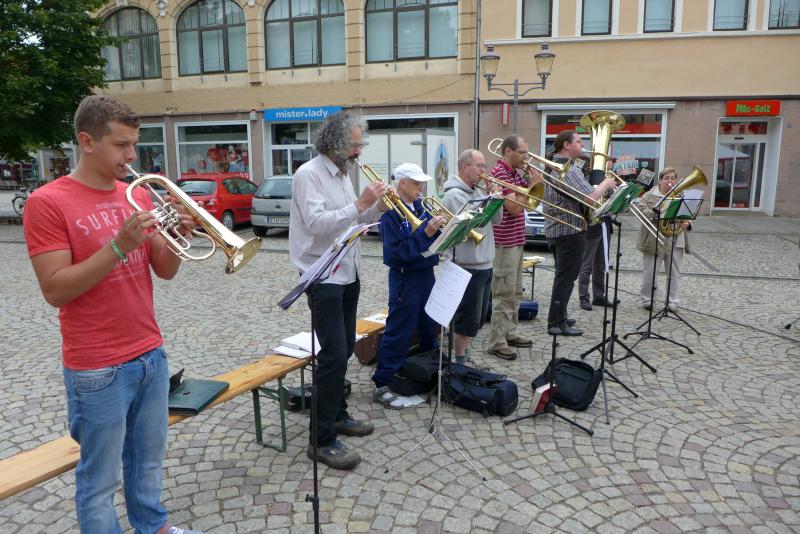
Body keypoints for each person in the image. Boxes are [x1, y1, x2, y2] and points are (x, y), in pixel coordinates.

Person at [22, 95, 202, 534]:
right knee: (100, 480)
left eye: (134, 144)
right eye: (121, 145)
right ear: (87, 141)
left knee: (148, 462)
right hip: (97, 366)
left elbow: (165, 270)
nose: (132, 155)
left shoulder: (133, 195)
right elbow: (55, 289)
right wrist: (119, 245)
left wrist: (179, 235)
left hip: (150, 354)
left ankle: (153, 527)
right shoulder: (48, 202)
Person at [289, 112, 388, 470]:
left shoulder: (344, 173)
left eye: (360, 144)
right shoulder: (309, 175)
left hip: (348, 272)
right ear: (333, 143)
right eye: (354, 145)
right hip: (323, 276)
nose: (358, 151)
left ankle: (338, 413)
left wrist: (379, 206)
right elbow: (317, 225)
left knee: (345, 347)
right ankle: (320, 439)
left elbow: (355, 220)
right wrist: (360, 203)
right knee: (332, 354)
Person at [372, 163, 446, 408]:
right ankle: (382, 381)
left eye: (422, 183)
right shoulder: (390, 215)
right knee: (400, 329)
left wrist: (444, 231)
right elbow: (396, 254)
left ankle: (427, 369)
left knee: (429, 325)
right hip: (405, 278)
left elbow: (433, 242)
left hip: (426, 274)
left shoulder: (422, 207)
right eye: (416, 183)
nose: (421, 187)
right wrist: (426, 233)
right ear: (402, 183)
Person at [543, 130, 616, 336]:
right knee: (565, 279)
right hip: (570, 230)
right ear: (567, 145)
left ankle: (560, 316)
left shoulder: (555, 165)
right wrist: (606, 184)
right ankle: (556, 323)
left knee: (563, 277)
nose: (583, 146)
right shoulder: (568, 169)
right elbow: (590, 198)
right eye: (579, 142)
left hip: (559, 230)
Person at [441, 149, 503, 364]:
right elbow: (471, 226)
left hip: (485, 261)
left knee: (478, 317)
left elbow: (496, 220)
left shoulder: (477, 191)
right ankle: (459, 360)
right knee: (466, 317)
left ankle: (464, 356)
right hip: (466, 263)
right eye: (480, 165)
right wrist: (489, 200)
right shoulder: (454, 194)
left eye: (484, 165)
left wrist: (495, 199)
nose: (484, 170)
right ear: (466, 167)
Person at [486, 135, 540, 361]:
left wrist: (532, 185)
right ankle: (497, 342)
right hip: (504, 242)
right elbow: (515, 208)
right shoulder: (499, 173)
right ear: (508, 151)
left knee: (516, 291)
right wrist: (532, 185)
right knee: (503, 293)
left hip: (516, 239)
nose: (526, 157)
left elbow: (530, 204)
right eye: (522, 153)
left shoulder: (516, 174)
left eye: (527, 152)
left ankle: (510, 332)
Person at [634, 167, 692, 311]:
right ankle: (648, 299)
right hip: (654, 237)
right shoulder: (649, 195)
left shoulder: (681, 195)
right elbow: (640, 210)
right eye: (666, 178)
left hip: (676, 237)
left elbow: (689, 213)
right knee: (650, 271)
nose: (670, 181)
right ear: (660, 180)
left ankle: (672, 301)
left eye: (672, 178)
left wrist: (688, 223)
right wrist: (657, 213)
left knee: (674, 272)